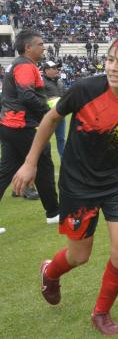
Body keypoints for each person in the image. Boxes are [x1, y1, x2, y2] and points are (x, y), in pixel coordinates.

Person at [16, 33, 118, 335]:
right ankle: (50, 272)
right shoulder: (86, 89)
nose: (112, 67)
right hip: (78, 182)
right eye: (110, 60)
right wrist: (30, 163)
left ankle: (101, 312)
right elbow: (50, 120)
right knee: (79, 256)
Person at [0, 29, 59, 225]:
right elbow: (26, 95)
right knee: (43, 166)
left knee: (6, 170)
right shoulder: (25, 66)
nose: (44, 47)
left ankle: (52, 211)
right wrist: (48, 110)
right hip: (21, 126)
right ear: (28, 47)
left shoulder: (19, 65)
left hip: (9, 125)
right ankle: (53, 213)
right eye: (40, 44)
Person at [42, 61, 66, 158]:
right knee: (44, 141)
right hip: (47, 117)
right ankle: (43, 163)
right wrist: (47, 101)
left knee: (61, 139)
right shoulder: (41, 82)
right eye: (54, 68)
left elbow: (64, 95)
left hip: (60, 116)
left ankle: (65, 164)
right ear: (46, 70)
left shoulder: (60, 81)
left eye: (57, 68)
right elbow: (38, 98)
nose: (57, 70)